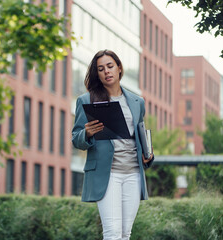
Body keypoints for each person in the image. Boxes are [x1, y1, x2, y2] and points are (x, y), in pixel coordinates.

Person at [72, 49, 154, 240]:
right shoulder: (86, 101)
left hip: (133, 173)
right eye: (101, 69)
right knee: (112, 232)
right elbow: (76, 138)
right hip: (107, 174)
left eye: (110, 66)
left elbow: (140, 136)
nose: (106, 71)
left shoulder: (137, 101)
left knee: (125, 233)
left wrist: (148, 154)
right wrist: (88, 133)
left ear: (119, 68)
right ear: (97, 74)